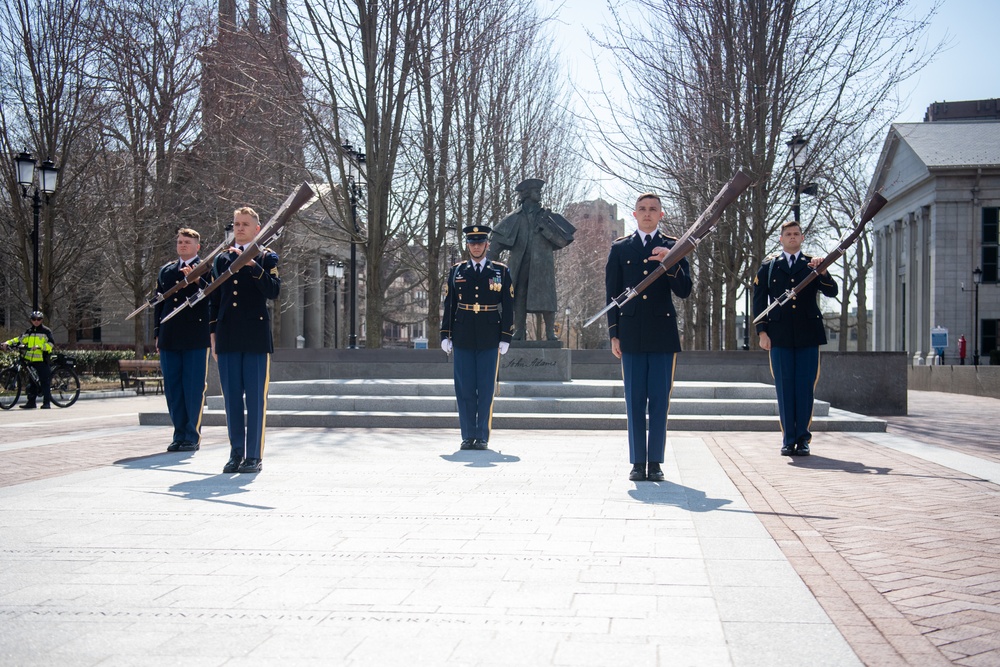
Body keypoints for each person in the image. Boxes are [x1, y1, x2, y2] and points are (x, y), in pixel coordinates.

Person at [605, 193, 692, 482]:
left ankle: (655, 462)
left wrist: (671, 263)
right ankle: (636, 462)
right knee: (634, 400)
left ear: (661, 215)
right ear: (634, 214)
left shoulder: (673, 246)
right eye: (642, 209)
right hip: (630, 334)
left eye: (653, 209)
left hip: (662, 334)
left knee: (658, 400)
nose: (647, 213)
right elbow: (613, 295)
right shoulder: (620, 248)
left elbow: (684, 290)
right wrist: (614, 334)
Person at [752, 220, 838, 457]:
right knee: (784, 388)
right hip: (778, 336)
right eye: (788, 234)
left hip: (808, 335)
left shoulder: (813, 264)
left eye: (796, 234)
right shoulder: (769, 267)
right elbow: (759, 303)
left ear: (802, 238)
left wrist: (823, 271)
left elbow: (832, 291)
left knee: (804, 388)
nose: (792, 237)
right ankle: (788, 439)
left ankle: (803, 438)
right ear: (781, 239)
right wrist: (762, 333)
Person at [209, 207, 280, 474]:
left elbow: (273, 291)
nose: (239, 228)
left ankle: (253, 456)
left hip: (254, 338)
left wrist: (253, 267)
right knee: (232, 401)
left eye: (245, 224)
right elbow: (214, 301)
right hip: (227, 337)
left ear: (257, 229)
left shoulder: (266, 257)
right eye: (236, 224)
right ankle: (235, 453)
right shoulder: (221, 260)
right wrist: (213, 336)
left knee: (255, 400)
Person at [441, 225, 514, 450]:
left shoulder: (500, 271)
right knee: (464, 389)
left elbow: (509, 305)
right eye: (472, 243)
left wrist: (506, 336)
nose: (476, 246)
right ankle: (467, 435)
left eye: (480, 242)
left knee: (484, 388)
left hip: (490, 336)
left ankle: (481, 436)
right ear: (467, 246)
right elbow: (449, 303)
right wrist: (445, 334)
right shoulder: (457, 271)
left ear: (487, 245)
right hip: (462, 335)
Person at [487, 178, 575, 340]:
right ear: (526, 194)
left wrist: (546, 231)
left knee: (547, 297)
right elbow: (496, 242)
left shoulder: (547, 217)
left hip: (542, 265)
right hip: (520, 263)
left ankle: (550, 332)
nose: (539, 193)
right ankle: (519, 330)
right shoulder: (514, 217)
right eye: (536, 190)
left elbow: (563, 240)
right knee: (519, 295)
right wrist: (488, 266)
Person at [155, 228, 211, 453]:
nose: (183, 245)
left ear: (198, 246)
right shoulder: (167, 271)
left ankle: (192, 435)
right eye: (180, 241)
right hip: (170, 335)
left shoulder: (208, 268)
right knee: (173, 388)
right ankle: (178, 434)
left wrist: (197, 279)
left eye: (187, 242)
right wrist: (158, 333)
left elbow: (212, 296)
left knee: (193, 387)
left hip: (195, 335)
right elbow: (159, 304)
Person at [2, 311, 55, 409]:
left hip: (42, 360)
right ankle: (31, 402)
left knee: (44, 381)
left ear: (41, 320)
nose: (36, 321)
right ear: (31, 320)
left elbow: (51, 344)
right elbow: (19, 339)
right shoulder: (29, 331)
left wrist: (39, 346)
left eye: (38, 319)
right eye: (34, 319)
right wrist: (7, 343)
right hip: (30, 360)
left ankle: (46, 403)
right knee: (32, 382)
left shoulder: (46, 331)